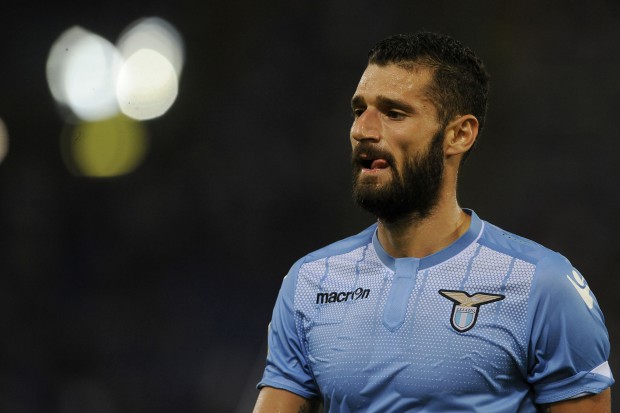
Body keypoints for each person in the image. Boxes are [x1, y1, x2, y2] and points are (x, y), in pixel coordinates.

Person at [253, 32, 614, 412]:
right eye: (359, 110)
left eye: (394, 113)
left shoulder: (542, 284)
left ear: (459, 134)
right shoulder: (310, 281)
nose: (363, 130)